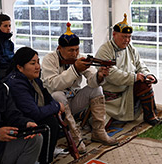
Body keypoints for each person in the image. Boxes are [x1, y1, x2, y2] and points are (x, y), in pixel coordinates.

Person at [41, 22, 118, 153]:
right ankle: (74, 137)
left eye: (77, 49)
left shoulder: (78, 57)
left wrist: (99, 75)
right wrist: (75, 69)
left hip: (73, 100)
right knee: (57, 95)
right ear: (60, 48)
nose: (75, 53)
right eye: (71, 50)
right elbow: (53, 85)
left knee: (97, 89)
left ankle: (99, 131)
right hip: (57, 104)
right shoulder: (49, 59)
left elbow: (92, 80)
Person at [94, 13, 162, 125]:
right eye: (124, 37)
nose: (127, 40)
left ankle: (150, 116)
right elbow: (111, 74)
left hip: (128, 86)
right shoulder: (105, 50)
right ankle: (149, 116)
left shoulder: (131, 48)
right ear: (114, 34)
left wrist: (147, 75)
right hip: (112, 90)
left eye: (129, 37)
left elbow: (140, 65)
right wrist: (134, 77)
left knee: (145, 83)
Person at [5, 47, 65, 164]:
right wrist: (57, 107)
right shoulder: (16, 84)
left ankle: (45, 154)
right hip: (18, 121)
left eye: (38, 62)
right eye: (33, 63)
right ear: (20, 67)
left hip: (30, 115)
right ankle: (45, 160)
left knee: (53, 117)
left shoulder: (33, 79)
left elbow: (48, 98)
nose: (38, 66)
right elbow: (34, 112)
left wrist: (55, 106)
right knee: (49, 124)